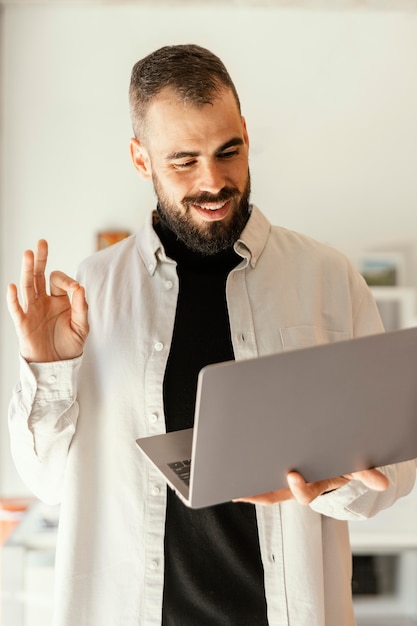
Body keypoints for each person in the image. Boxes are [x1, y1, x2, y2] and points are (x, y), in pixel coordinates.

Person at [6, 44, 415, 626]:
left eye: (230, 151)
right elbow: (46, 482)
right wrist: (46, 368)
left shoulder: (327, 277)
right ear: (140, 159)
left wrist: (333, 485)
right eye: (183, 161)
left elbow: (389, 477)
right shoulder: (93, 288)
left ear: (246, 132)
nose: (214, 181)